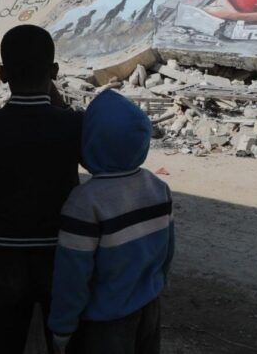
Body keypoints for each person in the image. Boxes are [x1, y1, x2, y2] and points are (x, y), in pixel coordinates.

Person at [0, 25, 83, 353]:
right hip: (60, 252)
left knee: (2, 339)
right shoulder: (73, 124)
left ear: (2, 73)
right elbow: (90, 159)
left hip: (6, 252)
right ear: (54, 72)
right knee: (64, 337)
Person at [49, 90, 174, 354]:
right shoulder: (158, 187)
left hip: (106, 322)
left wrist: (62, 327)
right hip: (150, 307)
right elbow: (166, 252)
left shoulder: (85, 202)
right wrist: (153, 285)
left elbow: (72, 275)